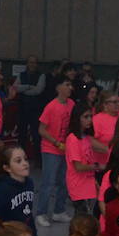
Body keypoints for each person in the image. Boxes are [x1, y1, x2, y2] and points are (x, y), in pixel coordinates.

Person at [35, 75, 73, 225]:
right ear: (58, 88)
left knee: (64, 181)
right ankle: (41, 213)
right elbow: (42, 130)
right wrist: (56, 143)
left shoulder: (71, 104)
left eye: (71, 85)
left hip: (66, 149)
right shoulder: (51, 106)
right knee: (48, 182)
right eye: (67, 84)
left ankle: (58, 211)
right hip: (51, 149)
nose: (70, 87)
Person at [64, 105, 101, 218]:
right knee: (82, 217)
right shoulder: (73, 139)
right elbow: (78, 166)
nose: (89, 119)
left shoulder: (86, 137)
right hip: (78, 184)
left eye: (90, 116)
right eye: (86, 117)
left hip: (88, 181)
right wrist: (97, 166)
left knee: (87, 217)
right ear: (77, 118)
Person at [13, 55, 47, 156]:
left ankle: (38, 159)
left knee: (36, 135)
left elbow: (38, 90)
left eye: (34, 62)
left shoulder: (41, 75)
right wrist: (28, 86)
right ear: (27, 64)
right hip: (22, 109)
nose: (32, 64)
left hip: (35, 110)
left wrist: (23, 90)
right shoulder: (21, 75)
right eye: (30, 62)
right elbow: (15, 87)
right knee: (21, 134)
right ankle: (20, 157)